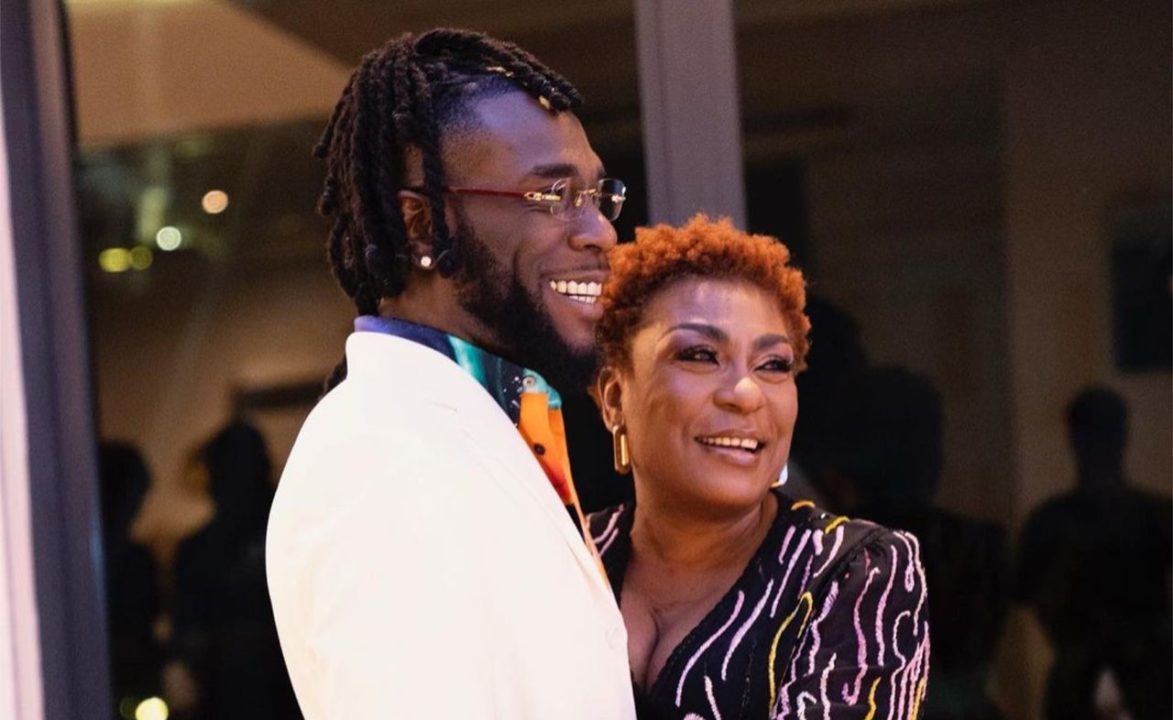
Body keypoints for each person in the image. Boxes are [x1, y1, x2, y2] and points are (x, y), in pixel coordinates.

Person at [265, 29, 636, 718]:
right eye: (552, 195)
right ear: (421, 226)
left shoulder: (473, 424)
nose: (600, 233)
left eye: (595, 196)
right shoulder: (382, 463)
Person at [588, 215, 931, 719]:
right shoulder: (565, 556)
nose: (746, 394)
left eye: (773, 365)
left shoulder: (850, 572)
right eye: (701, 355)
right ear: (615, 398)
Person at [1018, 386, 1172, 720]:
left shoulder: (1051, 521)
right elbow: (1034, 594)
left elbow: (1032, 594)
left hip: (1139, 678)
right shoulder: (1052, 521)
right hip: (1106, 679)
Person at [170, 421, 298, 719]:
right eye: (231, 471)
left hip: (288, 691)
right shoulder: (197, 550)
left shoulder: (290, 537)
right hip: (227, 695)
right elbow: (187, 634)